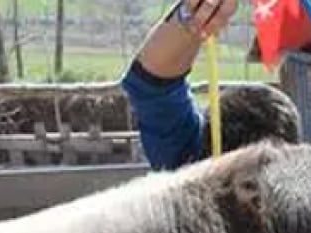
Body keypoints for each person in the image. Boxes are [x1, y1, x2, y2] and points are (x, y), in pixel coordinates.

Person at [120, 0, 301, 170]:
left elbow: (151, 85)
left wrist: (192, 17)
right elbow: (150, 86)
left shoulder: (188, 167)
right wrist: (197, 17)